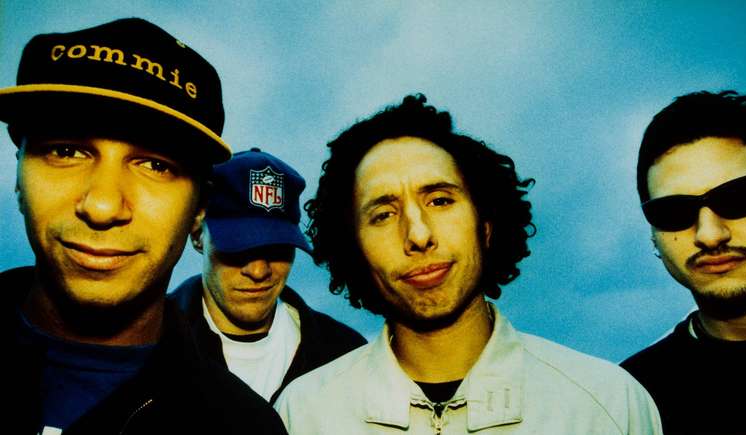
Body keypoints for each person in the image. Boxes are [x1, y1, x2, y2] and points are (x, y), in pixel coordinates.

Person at [275, 94, 662, 434]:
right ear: (354, 249)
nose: (418, 234)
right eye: (383, 214)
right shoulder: (303, 416)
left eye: (440, 200)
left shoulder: (610, 405)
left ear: (486, 225)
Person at [0, 18, 286, 434]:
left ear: (200, 208)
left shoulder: (246, 429)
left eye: (155, 165)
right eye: (66, 151)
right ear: (18, 176)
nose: (102, 206)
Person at [621, 90, 746, 435]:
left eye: (740, 197)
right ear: (653, 235)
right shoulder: (630, 403)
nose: (710, 234)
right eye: (673, 211)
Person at [169, 147, 366, 404]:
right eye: (237, 246)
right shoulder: (145, 346)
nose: (258, 271)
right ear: (197, 234)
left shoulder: (346, 356)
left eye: (277, 248)